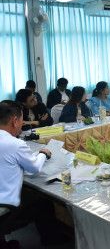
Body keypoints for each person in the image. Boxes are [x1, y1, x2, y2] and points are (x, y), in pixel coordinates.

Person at [0, 100, 63, 248]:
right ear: (15, 121)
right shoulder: (15, 144)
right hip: (4, 206)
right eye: (22, 120)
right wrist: (43, 153)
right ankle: (50, 240)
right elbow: (34, 167)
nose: (22, 124)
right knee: (43, 203)